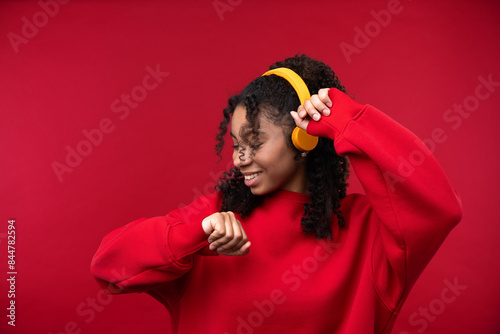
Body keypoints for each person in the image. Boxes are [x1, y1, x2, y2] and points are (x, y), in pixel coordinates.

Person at [90, 54, 462, 333]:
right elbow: (108, 266)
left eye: (255, 142)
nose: (240, 158)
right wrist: (196, 236)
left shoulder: (367, 232)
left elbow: (439, 208)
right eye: (236, 143)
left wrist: (345, 121)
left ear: (303, 139)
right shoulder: (217, 218)